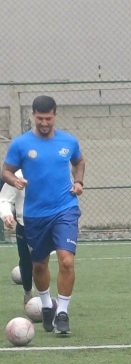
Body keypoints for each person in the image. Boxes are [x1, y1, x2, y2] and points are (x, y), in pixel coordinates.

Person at [2, 95, 85, 334]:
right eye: (40, 118)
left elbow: (79, 162)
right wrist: (14, 180)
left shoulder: (68, 141)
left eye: (48, 118)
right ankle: (47, 305)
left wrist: (79, 182)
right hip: (35, 214)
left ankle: (62, 313)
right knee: (38, 266)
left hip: (65, 208)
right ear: (33, 116)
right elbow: (6, 171)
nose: (44, 123)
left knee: (66, 260)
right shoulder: (20, 144)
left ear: (55, 115)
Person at [0, 169, 35, 306]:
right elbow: (4, 199)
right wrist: (7, 214)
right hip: (24, 224)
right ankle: (28, 293)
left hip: (48, 223)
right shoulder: (18, 174)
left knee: (42, 263)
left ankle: (49, 303)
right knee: (26, 261)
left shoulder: (53, 169)